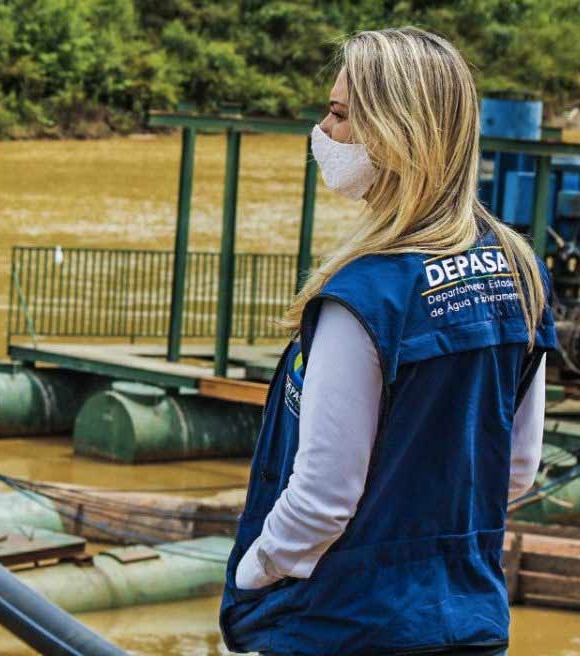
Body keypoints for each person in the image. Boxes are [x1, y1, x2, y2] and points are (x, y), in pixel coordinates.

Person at [220, 28, 556, 656]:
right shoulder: (518, 270)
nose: (324, 131)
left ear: (397, 132)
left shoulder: (364, 296)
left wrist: (252, 572)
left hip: (344, 626)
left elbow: (321, 500)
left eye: (340, 115)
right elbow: (514, 469)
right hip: (468, 619)